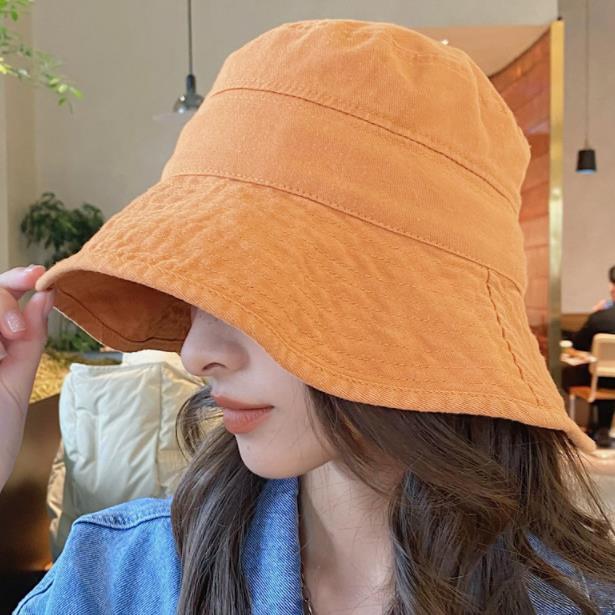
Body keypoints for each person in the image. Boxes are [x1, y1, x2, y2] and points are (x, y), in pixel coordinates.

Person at [3, 18, 615, 614]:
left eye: (257, 288)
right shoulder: (119, 575)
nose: (194, 353)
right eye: (196, 293)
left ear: (416, 313)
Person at [566, 265, 615, 448]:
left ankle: (588, 428)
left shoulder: (601, 318)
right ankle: (601, 429)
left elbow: (578, 343)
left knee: (571, 373)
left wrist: (595, 313)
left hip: (599, 380)